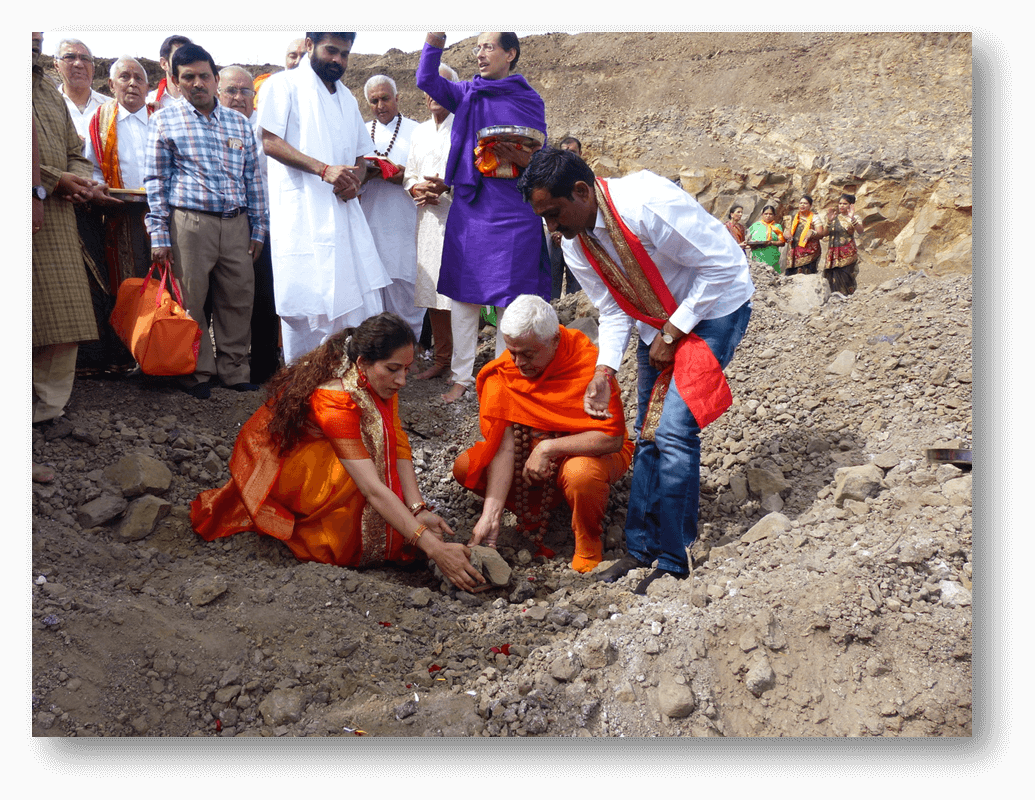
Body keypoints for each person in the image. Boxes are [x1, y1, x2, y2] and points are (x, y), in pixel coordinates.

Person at [518, 147, 754, 594]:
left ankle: (674, 557)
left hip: (715, 308)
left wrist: (675, 330)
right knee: (647, 435)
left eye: (554, 214)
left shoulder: (647, 204)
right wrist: (605, 370)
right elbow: (611, 309)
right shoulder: (576, 242)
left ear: (582, 191)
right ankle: (640, 549)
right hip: (656, 322)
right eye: (543, 218)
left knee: (673, 432)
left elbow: (723, 265)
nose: (551, 228)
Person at [190, 312, 486, 592]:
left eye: (407, 369)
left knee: (380, 449)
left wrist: (418, 509)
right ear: (362, 362)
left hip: (344, 460)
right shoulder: (335, 398)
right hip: (300, 470)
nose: (402, 381)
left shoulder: (377, 382)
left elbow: (398, 443)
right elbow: (371, 488)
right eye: (393, 369)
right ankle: (321, 526)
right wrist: (436, 551)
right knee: (354, 507)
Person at [453, 295, 634, 574]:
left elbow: (612, 438)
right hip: (531, 458)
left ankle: (588, 540)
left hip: (589, 453)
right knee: (467, 467)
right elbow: (504, 447)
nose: (518, 362)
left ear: (554, 341)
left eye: (528, 354)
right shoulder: (505, 372)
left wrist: (548, 448)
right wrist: (491, 516)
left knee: (580, 473)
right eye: (513, 352)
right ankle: (533, 513)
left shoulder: (588, 365)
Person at [417, 32, 551, 405]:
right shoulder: (467, 93)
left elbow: (539, 154)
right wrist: (433, 44)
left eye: (488, 46)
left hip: (514, 209)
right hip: (473, 206)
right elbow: (427, 81)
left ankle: (502, 378)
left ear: (510, 53)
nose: (479, 53)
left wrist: (521, 156)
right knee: (463, 297)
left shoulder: (528, 99)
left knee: (512, 300)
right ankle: (461, 378)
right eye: (477, 47)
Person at [257, 32, 389, 367]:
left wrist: (355, 180)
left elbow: (364, 157)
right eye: (332, 51)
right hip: (302, 218)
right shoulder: (281, 84)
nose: (338, 61)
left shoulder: (346, 98)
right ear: (308, 44)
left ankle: (343, 396)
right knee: (307, 311)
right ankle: (302, 397)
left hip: (343, 217)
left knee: (352, 311)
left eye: (345, 54)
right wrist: (324, 170)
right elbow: (270, 141)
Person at [144, 43, 268, 400]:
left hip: (236, 224)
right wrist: (159, 234)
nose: (197, 83)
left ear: (216, 79)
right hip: (189, 224)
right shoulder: (164, 120)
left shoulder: (239, 123)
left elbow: (252, 180)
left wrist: (258, 228)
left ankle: (234, 371)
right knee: (191, 300)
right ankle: (196, 372)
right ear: (176, 82)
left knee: (238, 298)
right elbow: (155, 180)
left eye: (204, 76)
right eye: (188, 78)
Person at [32, 32, 118, 431]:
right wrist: (53, 179)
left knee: (65, 317)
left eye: (37, 39)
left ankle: (47, 411)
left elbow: (74, 150)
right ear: (58, 63)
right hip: (33, 205)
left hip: (60, 216)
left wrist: (81, 180)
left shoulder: (48, 94)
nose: (32, 44)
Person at [218, 64, 281, 384]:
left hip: (262, 225)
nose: (239, 97)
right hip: (219, 224)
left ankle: (264, 367)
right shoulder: (209, 127)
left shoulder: (264, 131)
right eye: (232, 90)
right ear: (218, 91)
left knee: (261, 298)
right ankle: (218, 365)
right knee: (224, 299)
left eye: (246, 91)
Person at [405, 63, 460, 382]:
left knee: (459, 293)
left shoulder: (464, 128)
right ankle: (442, 358)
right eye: (429, 88)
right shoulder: (420, 131)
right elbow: (411, 172)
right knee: (433, 292)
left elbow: (475, 173)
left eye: (441, 86)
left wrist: (447, 186)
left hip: (457, 218)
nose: (432, 94)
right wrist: (415, 187)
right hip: (426, 219)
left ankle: (461, 362)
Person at [360, 75, 424, 343]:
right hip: (370, 224)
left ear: (398, 98)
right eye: (374, 100)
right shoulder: (362, 131)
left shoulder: (417, 131)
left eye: (385, 98)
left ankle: (410, 355)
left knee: (406, 296)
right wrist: (368, 172)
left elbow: (429, 176)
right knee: (373, 298)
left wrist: (402, 175)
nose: (380, 105)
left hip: (405, 225)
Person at [547, 136, 583, 300]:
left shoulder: (586, 179)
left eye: (573, 152)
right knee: (551, 278)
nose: (569, 156)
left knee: (576, 277)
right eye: (565, 152)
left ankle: (573, 315)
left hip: (577, 235)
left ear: (581, 153)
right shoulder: (550, 178)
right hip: (553, 235)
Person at [54, 38, 108, 143]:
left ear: (93, 68)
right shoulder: (46, 106)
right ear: (57, 65)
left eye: (85, 59)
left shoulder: (110, 107)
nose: (78, 64)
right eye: (70, 57)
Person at [823, 193, 864, 296]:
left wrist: (852, 219)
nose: (841, 206)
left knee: (846, 276)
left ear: (851, 205)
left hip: (847, 254)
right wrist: (829, 221)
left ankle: (848, 299)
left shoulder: (855, 217)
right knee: (832, 277)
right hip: (833, 254)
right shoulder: (834, 217)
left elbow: (860, 231)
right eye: (840, 203)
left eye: (845, 204)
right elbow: (824, 234)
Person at [253, 36, 307, 109]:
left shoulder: (320, 87)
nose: (298, 61)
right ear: (285, 59)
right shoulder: (264, 83)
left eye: (304, 57)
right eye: (293, 56)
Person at [146, 34, 192, 113]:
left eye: (189, 58)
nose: (186, 63)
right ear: (164, 64)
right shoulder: (149, 102)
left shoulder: (202, 100)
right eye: (179, 57)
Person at [785, 194, 826, 275]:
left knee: (806, 274)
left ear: (810, 206)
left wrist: (812, 232)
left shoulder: (815, 218)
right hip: (793, 251)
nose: (802, 205)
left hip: (809, 253)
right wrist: (786, 233)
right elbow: (787, 230)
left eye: (805, 203)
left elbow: (820, 234)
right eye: (801, 203)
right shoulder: (794, 217)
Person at [745, 204, 786, 275]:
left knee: (772, 276)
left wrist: (771, 242)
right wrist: (753, 242)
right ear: (762, 215)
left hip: (771, 255)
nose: (768, 216)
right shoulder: (755, 225)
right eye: (766, 214)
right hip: (757, 254)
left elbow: (782, 243)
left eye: (770, 214)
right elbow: (747, 239)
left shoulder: (777, 226)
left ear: (774, 215)